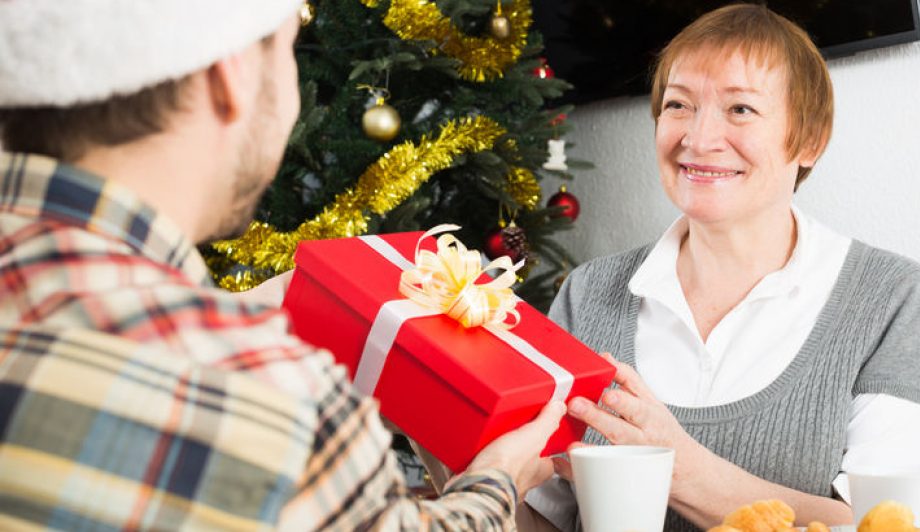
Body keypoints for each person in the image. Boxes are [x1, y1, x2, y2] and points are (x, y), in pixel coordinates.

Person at [0, 1, 564, 529]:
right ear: (232, 76)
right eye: (289, 51)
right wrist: (498, 484)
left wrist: (230, 312)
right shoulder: (271, 391)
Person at [524, 4, 920, 530]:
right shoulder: (587, 293)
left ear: (811, 140)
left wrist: (677, 467)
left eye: (741, 109)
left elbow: (886, 523)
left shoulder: (897, 300)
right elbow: (546, 519)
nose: (698, 139)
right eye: (678, 105)